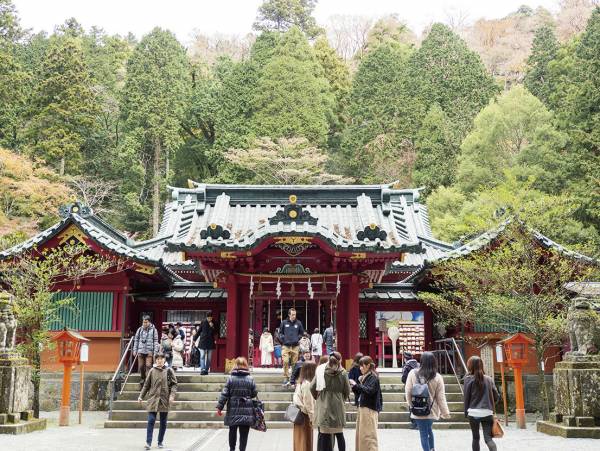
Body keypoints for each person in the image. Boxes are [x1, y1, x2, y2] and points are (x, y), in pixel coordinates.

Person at [405, 351, 450, 451]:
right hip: (431, 410)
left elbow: (408, 392)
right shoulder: (438, 377)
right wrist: (445, 412)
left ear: (421, 361)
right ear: (434, 362)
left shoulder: (413, 373)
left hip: (417, 409)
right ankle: (432, 449)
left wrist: (411, 405)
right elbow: (441, 397)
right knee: (429, 430)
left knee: (424, 434)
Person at [310, 351, 351, 451]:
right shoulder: (343, 372)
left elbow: (312, 387)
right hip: (338, 405)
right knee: (339, 434)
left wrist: (317, 397)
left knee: (324, 435)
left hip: (324, 403)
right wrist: (342, 399)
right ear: (340, 360)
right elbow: (347, 390)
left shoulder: (320, 370)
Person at [216, 356, 258, 451]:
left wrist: (219, 407)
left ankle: (232, 449)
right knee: (244, 433)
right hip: (246, 410)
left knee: (232, 431)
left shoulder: (230, 378)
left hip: (233, 409)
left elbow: (224, 394)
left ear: (235, 365)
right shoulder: (250, 379)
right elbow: (254, 393)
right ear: (246, 365)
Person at [138, 352, 177, 450]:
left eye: (161, 359)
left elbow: (174, 384)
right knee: (151, 420)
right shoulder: (152, 370)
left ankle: (160, 441)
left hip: (164, 399)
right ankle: (148, 442)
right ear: (155, 360)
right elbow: (146, 385)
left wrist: (172, 396)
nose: (160, 361)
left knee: (163, 422)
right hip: (153, 399)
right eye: (158, 359)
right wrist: (141, 396)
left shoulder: (169, 370)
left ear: (165, 360)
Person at [464, 356, 500, 451]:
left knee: (475, 438)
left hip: (473, 412)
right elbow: (496, 396)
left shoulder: (468, 379)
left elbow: (466, 397)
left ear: (470, 366)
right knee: (488, 438)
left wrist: (466, 413)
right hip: (487, 412)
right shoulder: (489, 379)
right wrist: (490, 404)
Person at [350, 356, 382, 451]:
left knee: (368, 436)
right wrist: (355, 387)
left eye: (362, 366)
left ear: (368, 366)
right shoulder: (366, 377)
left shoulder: (373, 377)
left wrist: (357, 385)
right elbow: (362, 392)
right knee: (362, 436)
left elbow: (369, 391)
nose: (360, 368)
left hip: (369, 409)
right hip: (363, 408)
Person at [293, 361, 317, 451]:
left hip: (299, 415)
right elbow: (308, 404)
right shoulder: (307, 385)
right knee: (305, 440)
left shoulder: (300, 383)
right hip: (305, 416)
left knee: (299, 439)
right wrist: (312, 418)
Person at [279, 308, 305, 386]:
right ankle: (286, 376)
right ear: (289, 314)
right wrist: (283, 339)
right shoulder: (284, 322)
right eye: (293, 314)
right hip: (286, 346)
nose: (294, 316)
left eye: (295, 314)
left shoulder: (299, 323)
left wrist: (297, 339)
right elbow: (280, 333)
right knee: (286, 361)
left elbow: (301, 333)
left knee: (294, 363)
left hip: (295, 346)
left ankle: (293, 378)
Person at [133, 315, 160, 388]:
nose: (144, 324)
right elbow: (136, 340)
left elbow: (155, 341)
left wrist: (155, 352)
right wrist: (135, 350)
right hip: (141, 350)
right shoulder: (139, 329)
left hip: (149, 350)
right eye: (143, 322)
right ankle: (143, 377)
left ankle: (148, 381)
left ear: (149, 322)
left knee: (148, 366)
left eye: (146, 322)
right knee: (141, 366)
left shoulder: (154, 330)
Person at [401, 351, 420, 429]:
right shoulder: (419, 365)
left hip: (410, 388)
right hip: (420, 388)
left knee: (411, 405)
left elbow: (403, 378)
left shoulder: (406, 366)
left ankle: (414, 423)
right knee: (419, 404)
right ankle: (419, 422)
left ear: (405, 358)